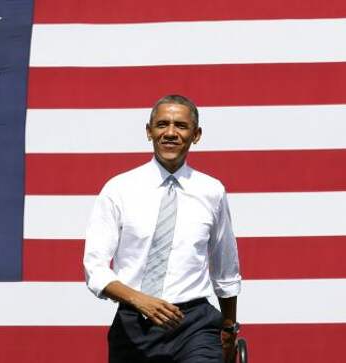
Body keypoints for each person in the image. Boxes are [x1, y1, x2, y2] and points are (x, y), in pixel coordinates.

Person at [83, 94, 241, 362]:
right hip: (133, 324)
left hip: (195, 325)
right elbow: (94, 267)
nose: (170, 133)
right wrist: (139, 300)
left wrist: (228, 327)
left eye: (180, 126)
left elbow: (225, 266)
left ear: (196, 134)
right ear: (149, 131)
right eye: (162, 124)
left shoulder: (212, 191)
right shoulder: (119, 189)